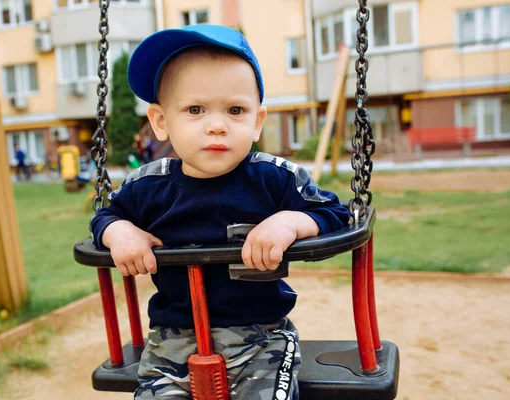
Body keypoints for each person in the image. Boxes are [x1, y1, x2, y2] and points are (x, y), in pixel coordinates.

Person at [90, 24, 350, 399]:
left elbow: (333, 213)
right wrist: (119, 232)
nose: (216, 126)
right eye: (195, 109)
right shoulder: (145, 187)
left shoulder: (275, 179)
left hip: (261, 338)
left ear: (257, 121)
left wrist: (290, 220)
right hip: (171, 341)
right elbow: (104, 218)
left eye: (235, 110)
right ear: (161, 122)